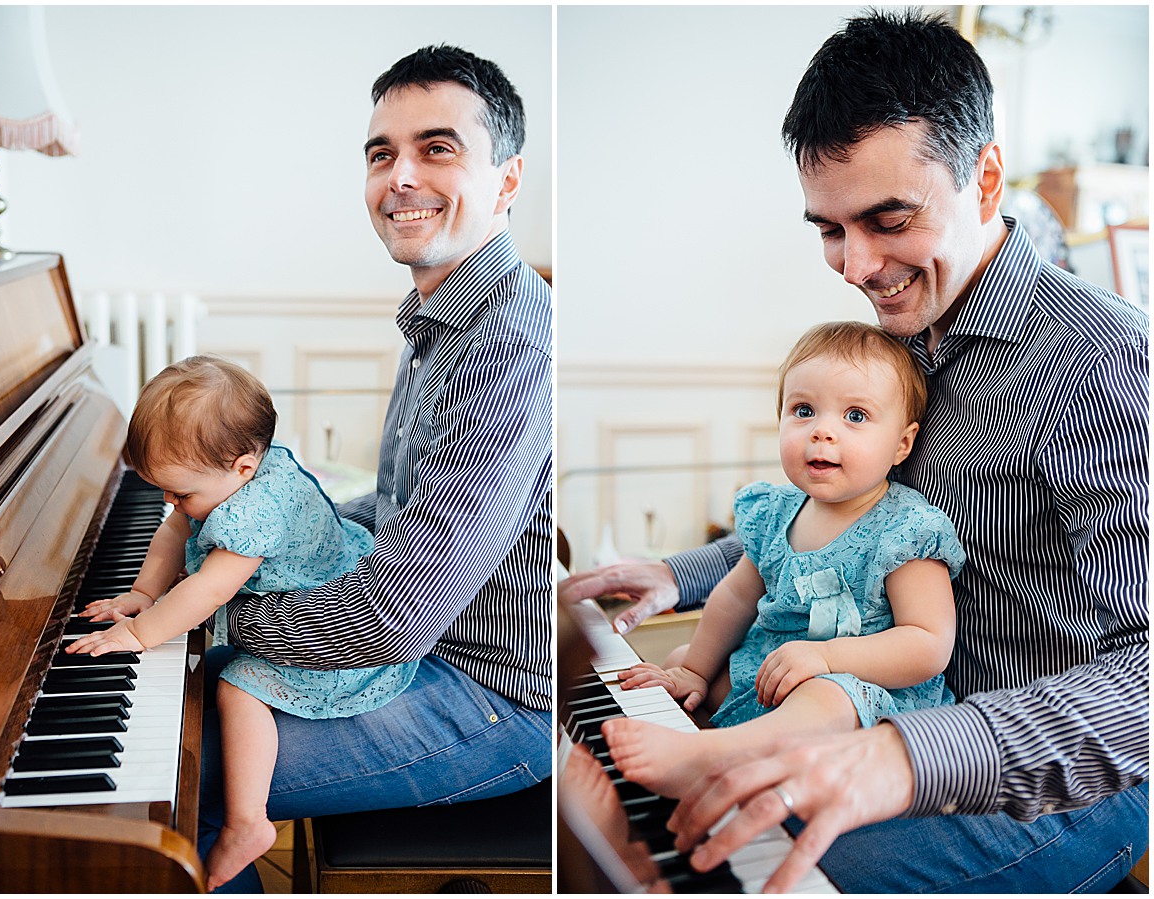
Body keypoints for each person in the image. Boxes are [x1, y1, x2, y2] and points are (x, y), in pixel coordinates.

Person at [559, 10, 1148, 893]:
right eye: (830, 228)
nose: (857, 264)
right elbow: (846, 525)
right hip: (874, 713)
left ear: (985, 179)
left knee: (740, 855)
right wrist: (677, 576)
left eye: (888, 219)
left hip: (1050, 779)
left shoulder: (1105, 363)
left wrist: (899, 757)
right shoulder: (893, 340)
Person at [194, 45, 552, 893]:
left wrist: (213, 614)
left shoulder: (509, 340)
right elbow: (392, 508)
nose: (400, 177)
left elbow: (395, 616)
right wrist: (250, 536)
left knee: (188, 772)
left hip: (495, 693)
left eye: (436, 148)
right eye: (381, 153)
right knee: (194, 703)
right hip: (428, 648)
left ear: (506, 179)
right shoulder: (445, 308)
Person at [67, 356, 419, 891]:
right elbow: (175, 529)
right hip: (295, 599)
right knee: (202, 675)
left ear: (242, 468)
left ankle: (248, 820)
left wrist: (139, 634)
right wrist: (143, 594)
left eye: (181, 491)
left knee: (237, 688)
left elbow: (211, 589)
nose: (170, 501)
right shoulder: (227, 478)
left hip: (329, 633)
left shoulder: (251, 515)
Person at [604, 321, 964, 799]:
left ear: (901, 443)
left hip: (860, 691)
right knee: (685, 662)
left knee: (827, 697)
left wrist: (825, 656)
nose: (822, 432)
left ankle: (716, 756)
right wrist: (693, 669)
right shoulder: (774, 512)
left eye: (855, 416)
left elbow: (928, 643)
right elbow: (734, 597)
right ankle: (694, 754)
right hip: (770, 672)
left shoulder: (905, 529)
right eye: (803, 410)